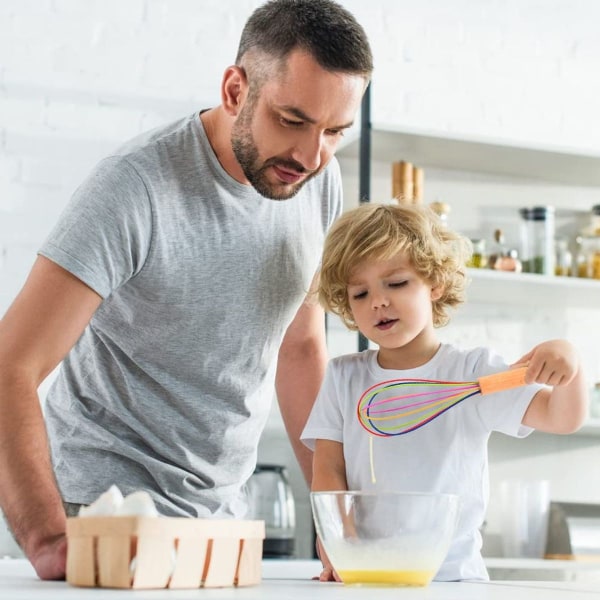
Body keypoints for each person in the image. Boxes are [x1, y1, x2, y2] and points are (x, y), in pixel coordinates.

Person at [0, 0, 373, 580]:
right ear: (234, 89)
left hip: (221, 524)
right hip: (106, 515)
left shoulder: (317, 180)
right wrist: (48, 539)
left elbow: (300, 350)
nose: (310, 154)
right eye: (292, 121)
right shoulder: (136, 187)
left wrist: (335, 517)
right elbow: (10, 364)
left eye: (334, 133)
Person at [301, 202, 588, 582]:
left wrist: (571, 363)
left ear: (434, 283)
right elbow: (329, 470)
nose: (378, 302)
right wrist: (341, 542)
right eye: (360, 293)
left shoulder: (472, 373)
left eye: (397, 283)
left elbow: (562, 417)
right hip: (367, 575)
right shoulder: (343, 377)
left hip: (454, 579)